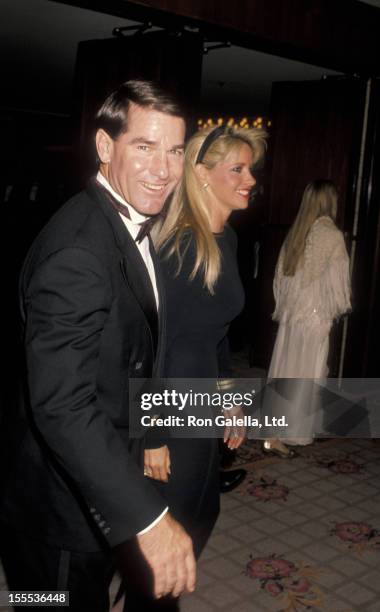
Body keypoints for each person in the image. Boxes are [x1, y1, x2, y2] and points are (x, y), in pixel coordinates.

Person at [0, 80, 196, 611]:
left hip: (96, 485)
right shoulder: (79, 250)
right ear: (106, 147)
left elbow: (130, 353)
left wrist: (148, 431)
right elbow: (62, 403)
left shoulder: (123, 220)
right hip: (56, 507)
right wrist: (149, 520)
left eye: (175, 150)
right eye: (145, 146)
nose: (164, 169)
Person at [144, 124, 267, 563]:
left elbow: (216, 333)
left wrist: (229, 398)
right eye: (237, 169)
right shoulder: (180, 246)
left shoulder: (227, 239)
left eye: (250, 170)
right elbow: (152, 344)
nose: (250, 180)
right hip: (171, 404)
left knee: (201, 514)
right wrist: (152, 432)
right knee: (172, 533)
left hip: (201, 401)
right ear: (201, 174)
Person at [263, 179, 351, 457]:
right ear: (329, 201)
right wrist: (336, 308)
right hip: (315, 317)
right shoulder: (332, 234)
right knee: (307, 374)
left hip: (292, 315)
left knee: (285, 370)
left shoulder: (296, 233)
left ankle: (273, 432)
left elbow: (282, 279)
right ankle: (296, 431)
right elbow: (339, 283)